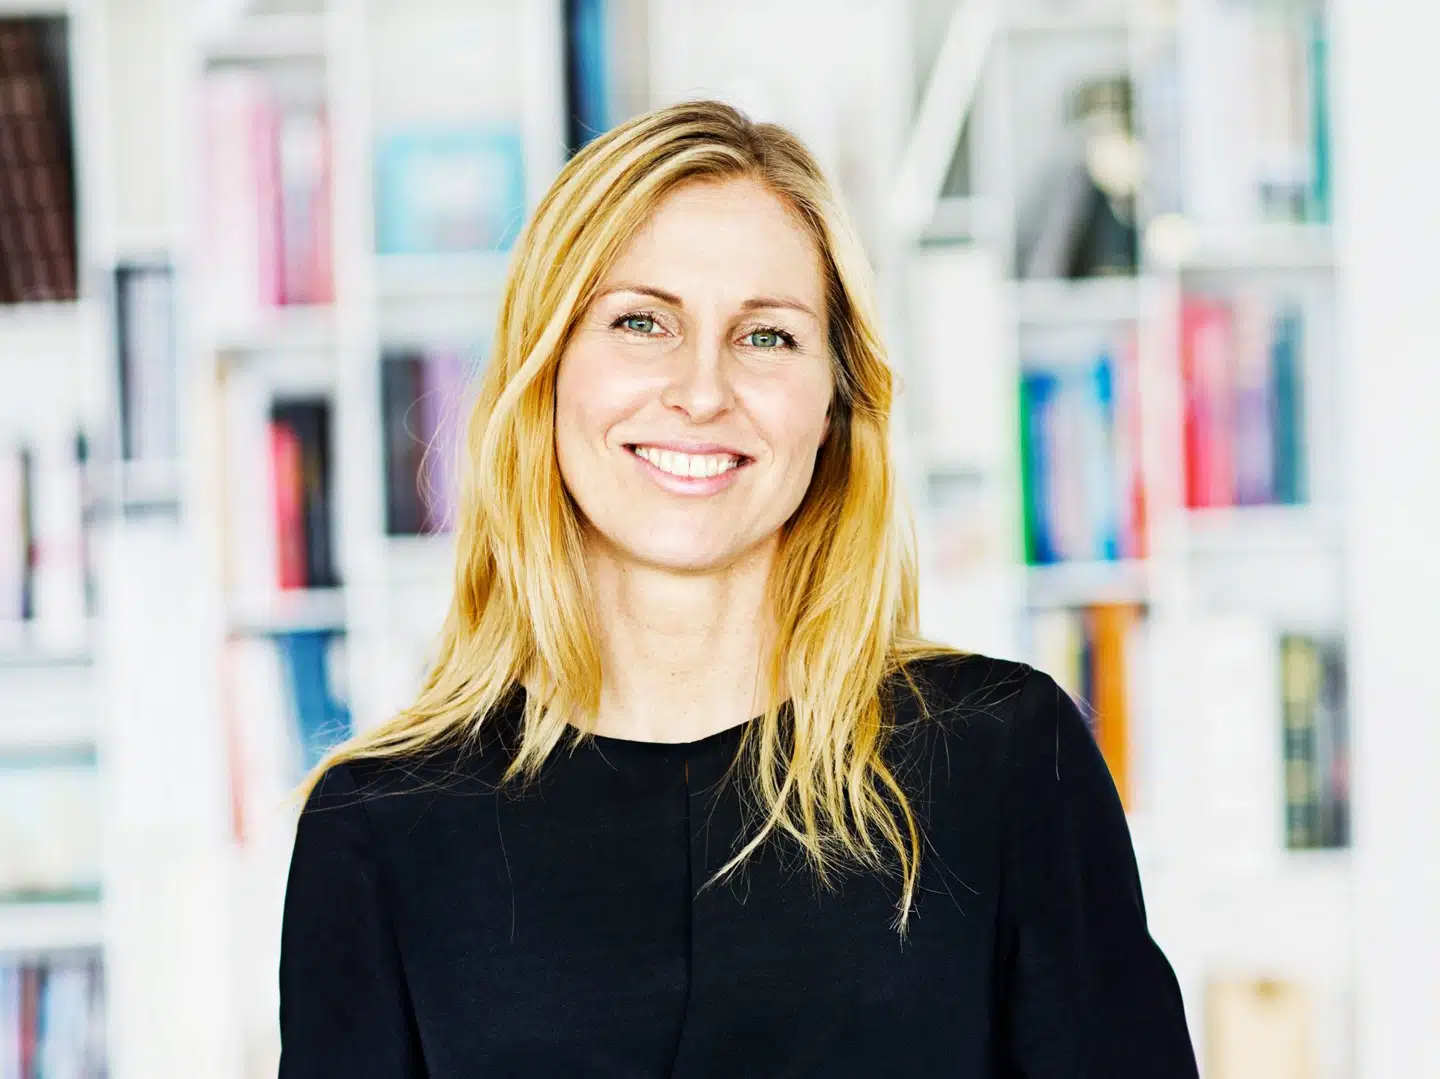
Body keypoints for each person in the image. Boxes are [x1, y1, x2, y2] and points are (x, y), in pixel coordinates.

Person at [277, 99, 1198, 1078]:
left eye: (766, 337)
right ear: (546, 373)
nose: (703, 390)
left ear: (834, 401)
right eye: (642, 322)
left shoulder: (1009, 757)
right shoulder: (378, 825)